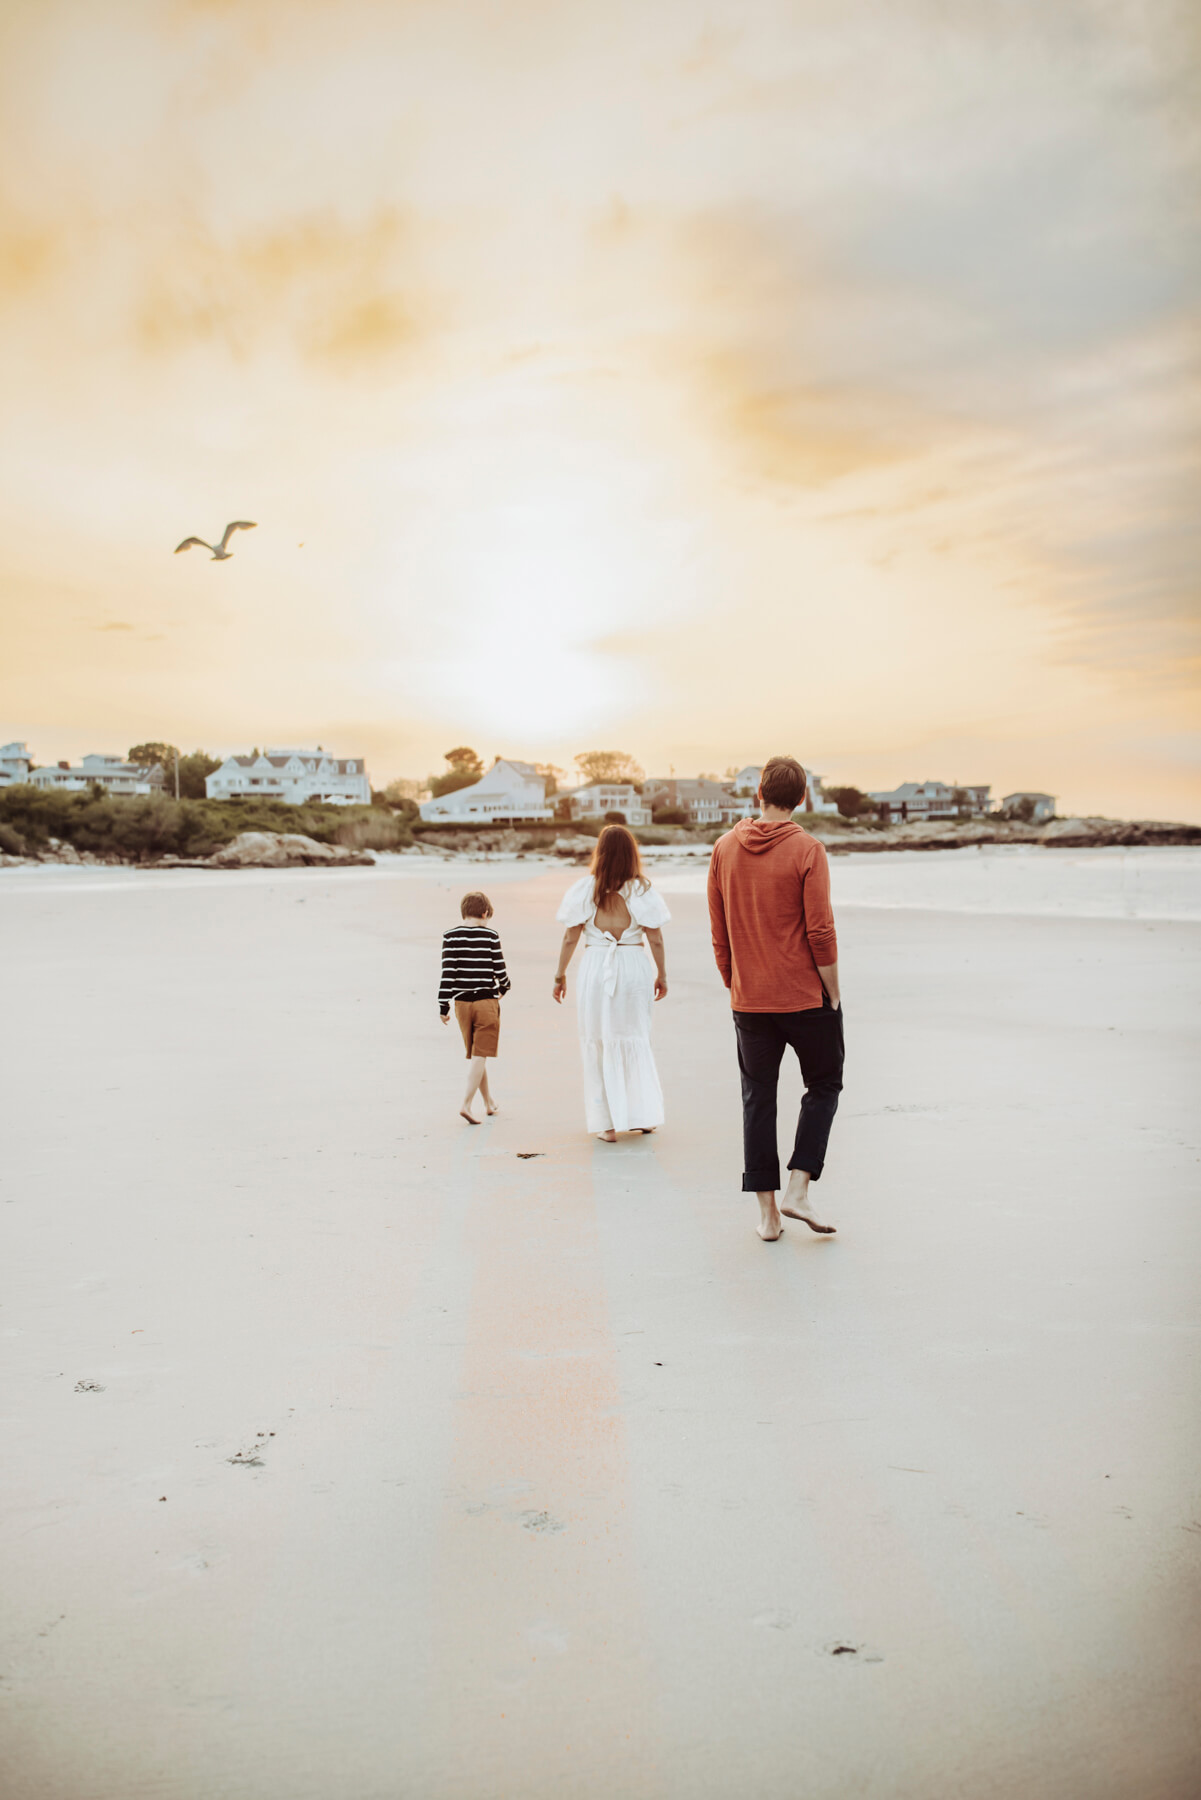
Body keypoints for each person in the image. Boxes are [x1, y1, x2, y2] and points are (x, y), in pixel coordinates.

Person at [707, 755, 843, 1242]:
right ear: (802, 798)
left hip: (749, 999)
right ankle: (798, 1188)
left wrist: (734, 981)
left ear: (758, 794)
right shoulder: (808, 849)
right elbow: (820, 931)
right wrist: (833, 992)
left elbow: (718, 931)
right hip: (804, 996)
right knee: (824, 1085)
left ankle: (768, 1217)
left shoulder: (724, 848)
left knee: (757, 1099)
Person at [553, 824, 670, 1142]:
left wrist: (560, 974)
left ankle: (605, 1124)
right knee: (635, 1038)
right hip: (633, 966)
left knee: (598, 1040)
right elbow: (655, 938)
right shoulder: (642, 890)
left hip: (597, 968)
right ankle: (642, 1117)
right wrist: (662, 974)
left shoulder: (584, 889)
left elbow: (570, 936)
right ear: (632, 854)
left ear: (600, 853)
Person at [439, 890, 511, 1124]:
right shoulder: (490, 936)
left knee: (477, 1055)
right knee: (480, 1054)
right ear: (485, 912)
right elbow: (500, 970)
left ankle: (489, 1102)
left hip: (461, 1004)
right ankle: (466, 1104)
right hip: (485, 1002)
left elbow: (447, 974)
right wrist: (505, 988)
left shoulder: (450, 937)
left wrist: (443, 1005)